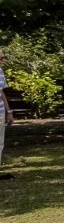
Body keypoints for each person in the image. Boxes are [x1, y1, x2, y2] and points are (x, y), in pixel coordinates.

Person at [0, 49, 12, 179]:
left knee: (0, 143)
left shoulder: (0, 72)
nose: (3, 60)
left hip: (1, 111)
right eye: (1, 58)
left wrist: (9, 111)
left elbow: (1, 92)